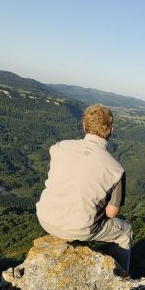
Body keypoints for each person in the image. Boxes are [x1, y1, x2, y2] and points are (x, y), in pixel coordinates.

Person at [35, 104, 132, 272]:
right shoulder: (116, 170)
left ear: (84, 125)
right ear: (111, 130)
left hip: (44, 218)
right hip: (80, 228)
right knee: (125, 233)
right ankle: (122, 276)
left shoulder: (59, 147)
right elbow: (111, 213)